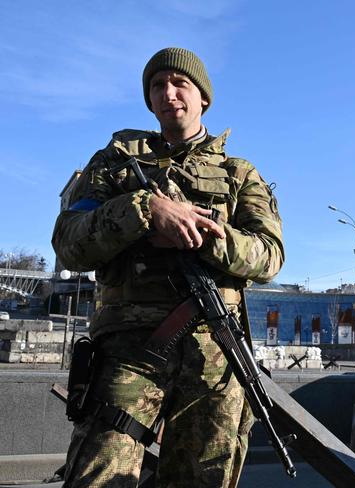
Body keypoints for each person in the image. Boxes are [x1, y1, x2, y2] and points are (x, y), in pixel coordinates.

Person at [52, 47, 284, 488]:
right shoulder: (113, 164)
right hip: (129, 354)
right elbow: (69, 245)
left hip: (213, 355)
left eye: (181, 84)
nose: (168, 93)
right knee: (99, 476)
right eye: (157, 85)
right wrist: (145, 209)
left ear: (203, 99)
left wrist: (208, 234)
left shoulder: (238, 173)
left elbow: (269, 256)